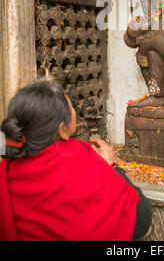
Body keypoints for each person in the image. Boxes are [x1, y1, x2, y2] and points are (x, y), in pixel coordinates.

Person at [0, 79, 152, 241]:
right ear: (63, 130)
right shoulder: (79, 159)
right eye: (71, 106)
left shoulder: (8, 169)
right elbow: (141, 222)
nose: (74, 110)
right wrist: (110, 166)